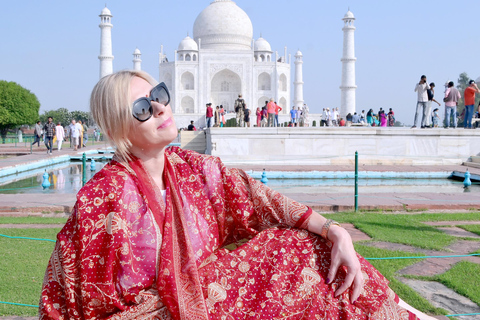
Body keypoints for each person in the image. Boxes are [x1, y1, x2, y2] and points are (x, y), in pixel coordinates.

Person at [40, 69, 431, 320]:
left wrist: (333, 230)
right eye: (143, 107)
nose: (160, 108)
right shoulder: (103, 197)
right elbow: (72, 292)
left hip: (206, 302)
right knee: (287, 257)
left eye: (159, 94)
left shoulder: (188, 167)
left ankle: (391, 308)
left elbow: (253, 196)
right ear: (116, 128)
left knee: (302, 247)